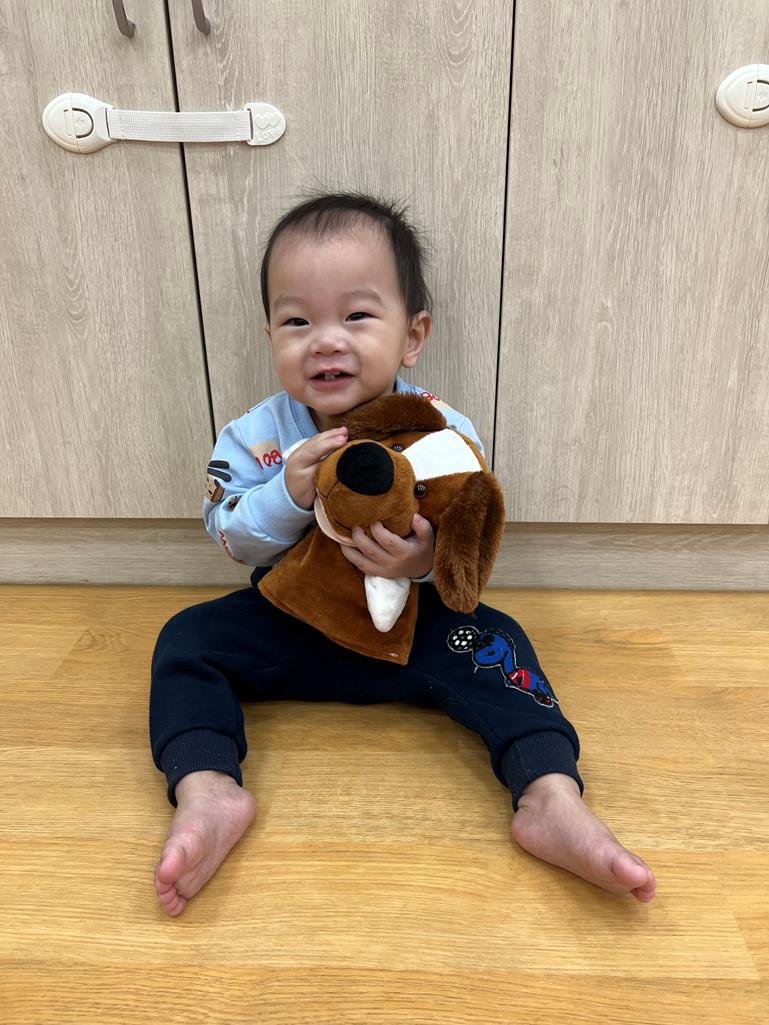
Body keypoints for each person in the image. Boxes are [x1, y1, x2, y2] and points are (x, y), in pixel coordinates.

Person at [149, 191, 657, 917]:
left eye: (356, 315)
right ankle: (208, 789)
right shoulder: (255, 436)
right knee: (186, 638)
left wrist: (420, 560)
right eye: (297, 321)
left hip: (415, 631)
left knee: (500, 639)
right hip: (291, 625)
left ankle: (549, 794)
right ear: (269, 334)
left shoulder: (439, 426)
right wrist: (285, 495)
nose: (325, 341)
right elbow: (231, 537)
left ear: (411, 334)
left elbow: (469, 532)